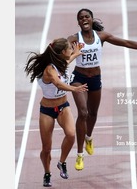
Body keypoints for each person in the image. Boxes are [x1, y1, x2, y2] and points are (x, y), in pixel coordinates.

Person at [67, 8, 137, 171]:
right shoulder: (73, 39)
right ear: (78, 22)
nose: (84, 19)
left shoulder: (102, 37)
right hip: (79, 79)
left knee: (93, 114)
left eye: (87, 16)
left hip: (95, 79)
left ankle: (89, 138)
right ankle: (79, 155)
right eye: (81, 18)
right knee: (83, 113)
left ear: (91, 19)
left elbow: (127, 43)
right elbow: (60, 48)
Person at [24, 38, 88, 187]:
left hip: (63, 106)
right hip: (47, 110)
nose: (71, 51)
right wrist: (74, 88)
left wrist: (77, 53)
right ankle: (47, 173)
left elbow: (68, 60)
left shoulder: (61, 62)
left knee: (71, 135)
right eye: (69, 49)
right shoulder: (49, 70)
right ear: (61, 53)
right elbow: (58, 83)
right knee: (46, 148)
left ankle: (62, 162)